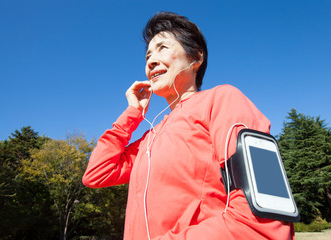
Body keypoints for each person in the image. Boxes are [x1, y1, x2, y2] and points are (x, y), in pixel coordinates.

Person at [83, 11, 294, 240]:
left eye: (163, 48)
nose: (151, 61)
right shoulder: (149, 139)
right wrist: (132, 113)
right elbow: (96, 174)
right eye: (147, 57)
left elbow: (265, 218)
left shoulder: (222, 99)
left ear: (196, 58)